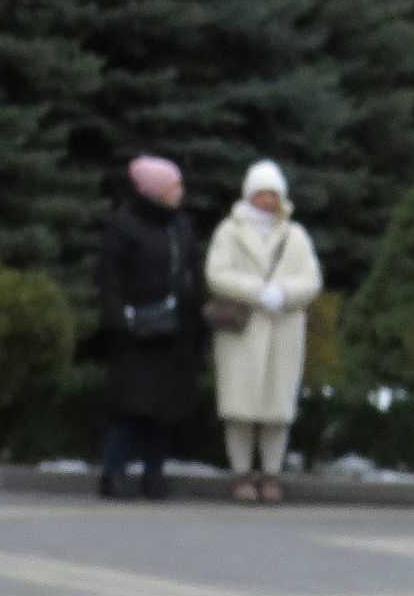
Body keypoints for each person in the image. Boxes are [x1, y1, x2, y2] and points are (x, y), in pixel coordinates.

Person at [206, 159, 323, 503]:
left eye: (273, 194)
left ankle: (271, 474)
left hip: (283, 329)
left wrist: (284, 293)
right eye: (261, 193)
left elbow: (311, 279)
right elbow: (217, 274)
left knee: (277, 408)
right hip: (242, 330)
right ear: (249, 195)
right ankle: (241, 473)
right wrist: (258, 291)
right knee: (239, 406)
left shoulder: (296, 235)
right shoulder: (230, 231)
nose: (267, 200)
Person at [95, 155, 204, 502]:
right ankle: (113, 473)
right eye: (174, 187)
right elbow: (109, 277)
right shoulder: (123, 226)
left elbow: (193, 268)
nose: (180, 192)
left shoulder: (180, 226)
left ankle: (153, 475)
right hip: (135, 332)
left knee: (164, 410)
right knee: (130, 409)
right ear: (156, 191)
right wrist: (119, 320)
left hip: (174, 332)